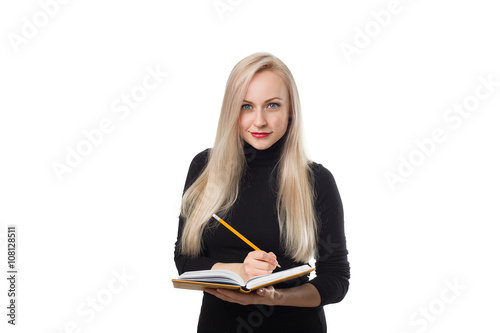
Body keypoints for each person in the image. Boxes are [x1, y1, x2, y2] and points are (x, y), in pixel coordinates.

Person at [174, 52, 350, 332]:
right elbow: (185, 261)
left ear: (290, 109)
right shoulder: (204, 167)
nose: (259, 121)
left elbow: (336, 279)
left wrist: (277, 297)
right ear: (231, 109)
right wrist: (239, 270)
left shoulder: (317, 180)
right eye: (246, 106)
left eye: (272, 105)